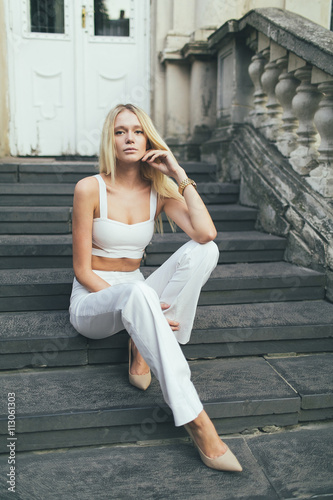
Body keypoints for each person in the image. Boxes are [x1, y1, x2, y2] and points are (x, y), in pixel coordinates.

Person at [69, 103, 242, 472]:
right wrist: (141, 309)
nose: (129, 138)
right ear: (110, 140)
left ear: (148, 138)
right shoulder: (89, 189)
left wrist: (178, 173)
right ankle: (197, 422)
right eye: (120, 132)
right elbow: (82, 270)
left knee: (205, 251)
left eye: (136, 131)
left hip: (137, 287)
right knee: (138, 294)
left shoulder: (158, 192)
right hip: (93, 300)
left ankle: (142, 346)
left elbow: (206, 233)